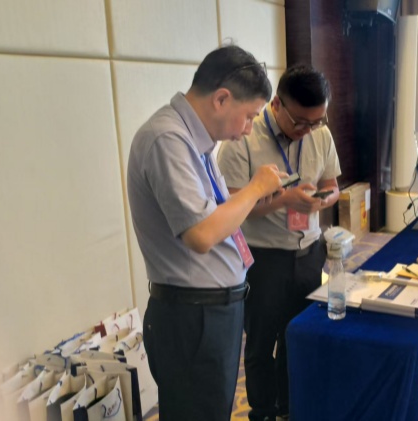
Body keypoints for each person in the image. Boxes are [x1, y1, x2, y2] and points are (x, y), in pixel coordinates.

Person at [126, 45, 286, 421]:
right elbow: (200, 234)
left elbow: (215, 215)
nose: (248, 129)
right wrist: (255, 188)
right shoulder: (167, 139)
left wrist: (253, 196)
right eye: (249, 116)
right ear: (221, 99)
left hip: (210, 312)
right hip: (191, 317)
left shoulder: (196, 142)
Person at [217, 64, 341, 421]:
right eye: (300, 122)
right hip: (263, 258)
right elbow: (233, 209)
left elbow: (333, 187)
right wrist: (284, 200)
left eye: (316, 121)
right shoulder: (243, 137)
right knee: (260, 343)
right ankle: (262, 412)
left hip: (308, 252)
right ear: (276, 104)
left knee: (297, 335)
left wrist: (321, 201)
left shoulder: (320, 134)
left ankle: (290, 408)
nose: (308, 130)